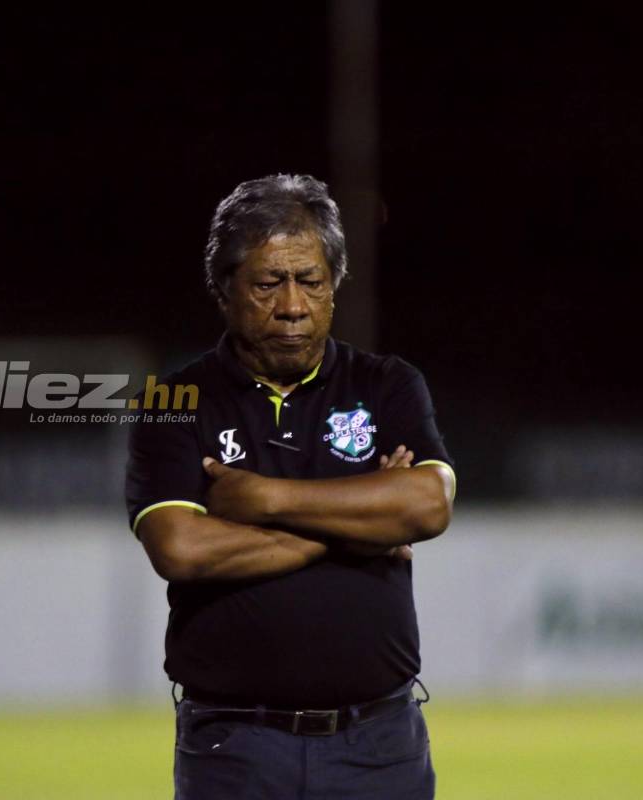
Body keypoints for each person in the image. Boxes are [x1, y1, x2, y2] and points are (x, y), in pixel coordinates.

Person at [125, 174, 456, 799]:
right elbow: (182, 550)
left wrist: (265, 500)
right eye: (268, 283)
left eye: (311, 281)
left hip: (379, 744)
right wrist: (355, 529)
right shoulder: (176, 399)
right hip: (235, 746)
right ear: (223, 291)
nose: (293, 306)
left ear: (334, 286)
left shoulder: (388, 385)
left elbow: (429, 504)